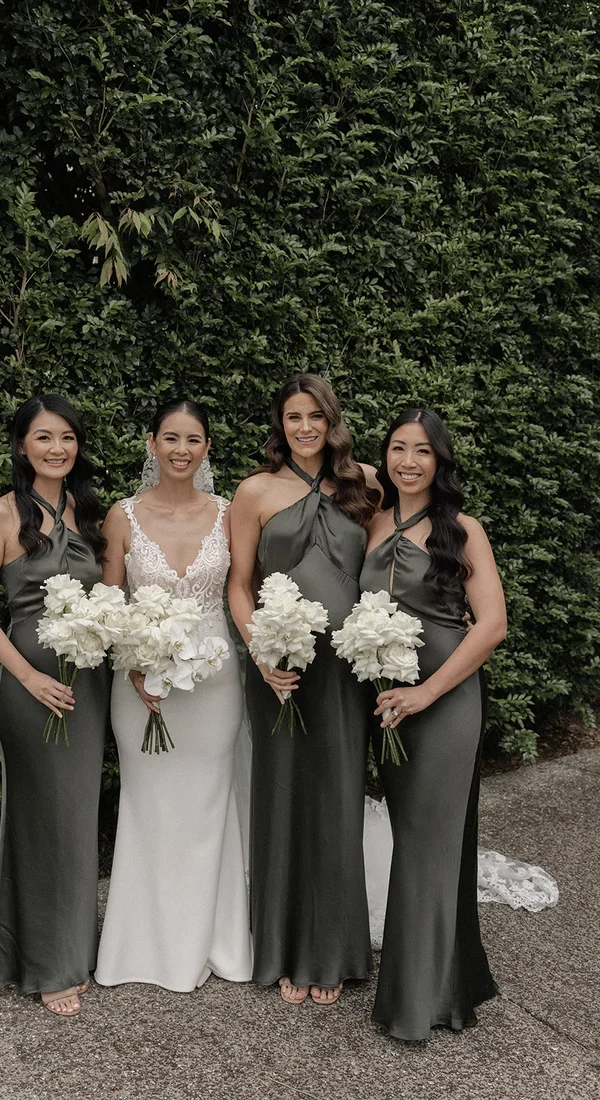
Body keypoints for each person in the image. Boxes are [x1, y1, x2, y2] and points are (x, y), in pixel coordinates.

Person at [228, 374, 378, 1005]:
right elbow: (238, 585)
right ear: (280, 425)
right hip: (280, 670)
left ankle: (331, 952)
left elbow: (390, 566)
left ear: (332, 420)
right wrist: (262, 654)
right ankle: (285, 949)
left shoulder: (366, 484)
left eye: (316, 416)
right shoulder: (255, 491)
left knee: (338, 800)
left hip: (346, 671)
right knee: (283, 797)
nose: (305, 427)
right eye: (293, 417)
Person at [360, 407, 507, 1040]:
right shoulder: (369, 517)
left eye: (423, 450)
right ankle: (447, 979)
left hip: (444, 702)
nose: (409, 462)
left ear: (441, 460)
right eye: (398, 448)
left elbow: (492, 625)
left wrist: (426, 692)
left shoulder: (462, 530)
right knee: (411, 835)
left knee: (427, 843)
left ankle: (420, 1003)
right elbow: (335, 466)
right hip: (387, 703)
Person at [94, 400, 252, 991]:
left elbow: (241, 589)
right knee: (149, 805)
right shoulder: (122, 516)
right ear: (152, 443)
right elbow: (109, 602)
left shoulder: (230, 513)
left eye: (193, 439)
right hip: (140, 684)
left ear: (207, 447)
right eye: (171, 438)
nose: (182, 450)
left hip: (215, 684)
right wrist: (133, 661)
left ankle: (215, 943)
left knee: (209, 805)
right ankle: (143, 947)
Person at [0, 394, 109, 1016]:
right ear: (22, 446)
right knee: (42, 819)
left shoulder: (87, 511)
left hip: (88, 687)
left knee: (75, 820)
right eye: (44, 437)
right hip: (30, 688)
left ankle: (73, 948)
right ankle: (48, 965)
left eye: (67, 437)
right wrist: (28, 677)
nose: (57, 448)